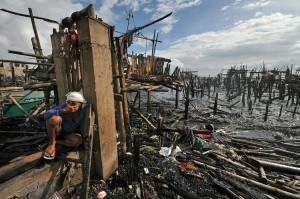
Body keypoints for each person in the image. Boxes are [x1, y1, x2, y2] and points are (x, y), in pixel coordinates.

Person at [43, 92, 86, 160]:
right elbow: (46, 115)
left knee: (78, 140)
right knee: (55, 119)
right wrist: (63, 110)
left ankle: (56, 142)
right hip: (59, 131)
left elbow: (83, 128)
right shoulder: (65, 106)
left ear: (80, 103)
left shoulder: (83, 113)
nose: (71, 105)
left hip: (69, 134)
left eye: (74, 103)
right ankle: (52, 143)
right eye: (69, 102)